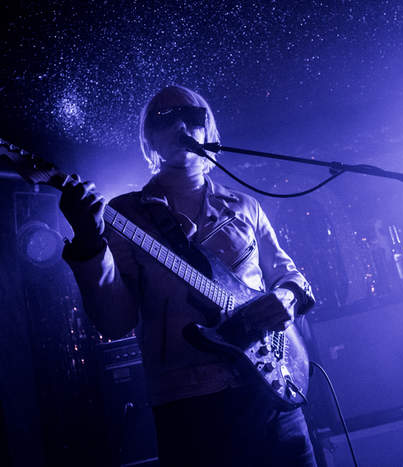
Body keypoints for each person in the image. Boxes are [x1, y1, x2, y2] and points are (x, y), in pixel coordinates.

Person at [59, 84, 318, 466]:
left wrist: (288, 297)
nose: (180, 123)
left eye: (192, 116)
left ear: (208, 131)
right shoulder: (126, 215)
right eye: (164, 118)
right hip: (190, 405)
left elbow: (287, 273)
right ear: (149, 138)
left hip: (273, 393)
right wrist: (88, 243)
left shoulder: (245, 206)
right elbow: (115, 321)